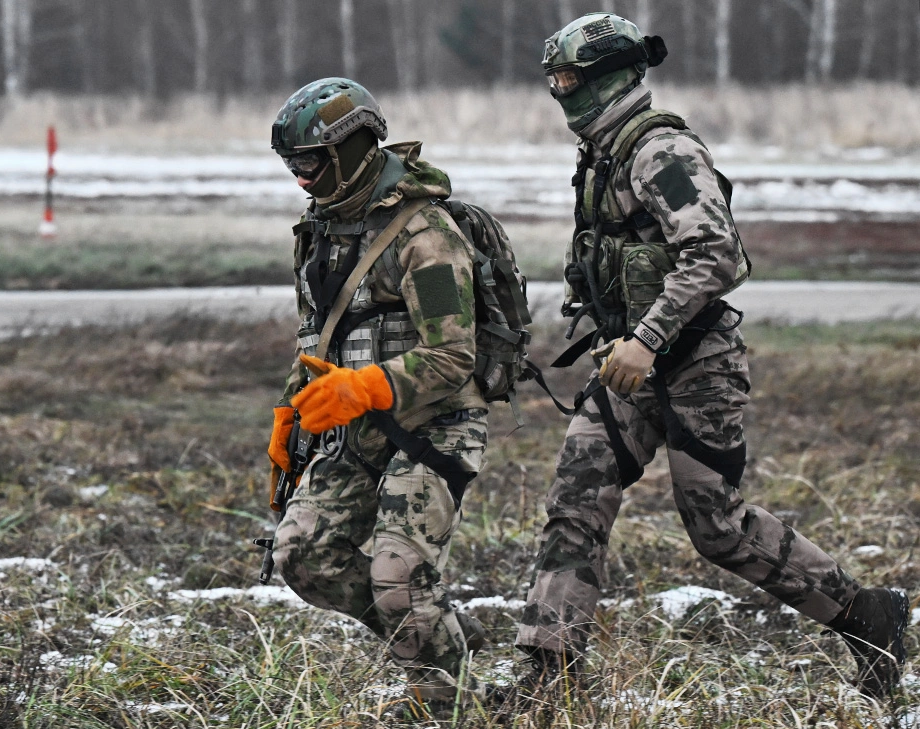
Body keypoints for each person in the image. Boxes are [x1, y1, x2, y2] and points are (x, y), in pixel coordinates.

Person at [514, 13, 908, 698]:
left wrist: (648, 338)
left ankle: (867, 615)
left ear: (608, 76)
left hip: (697, 362)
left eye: (570, 79)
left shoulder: (660, 151)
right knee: (576, 499)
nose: (559, 91)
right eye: (555, 79)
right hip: (630, 369)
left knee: (718, 528)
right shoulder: (603, 155)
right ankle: (550, 677)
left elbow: (717, 254)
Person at [265, 77, 493, 717]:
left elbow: (453, 356)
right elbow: (317, 336)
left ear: (352, 148)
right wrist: (290, 415)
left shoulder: (427, 234)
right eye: (291, 163)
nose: (300, 176)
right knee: (302, 557)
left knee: (396, 576)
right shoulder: (322, 229)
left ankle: (449, 702)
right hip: (357, 423)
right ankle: (434, 630)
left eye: (311, 161)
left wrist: (361, 387)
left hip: (436, 424)